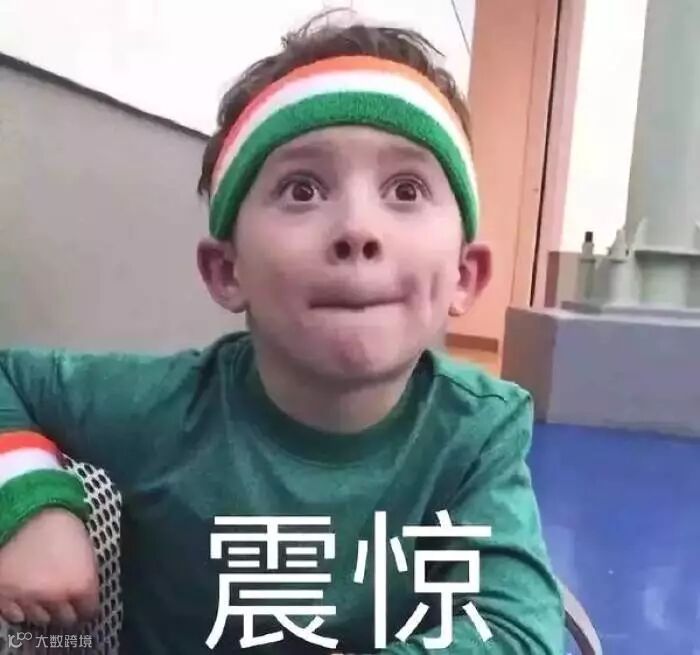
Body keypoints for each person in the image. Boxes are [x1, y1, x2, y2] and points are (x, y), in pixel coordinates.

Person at [0, 12, 564, 654]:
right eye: (302, 190)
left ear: (466, 275)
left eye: (406, 190)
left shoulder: (477, 433)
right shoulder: (165, 408)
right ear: (226, 270)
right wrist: (28, 499)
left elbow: (519, 633)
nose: (358, 229)